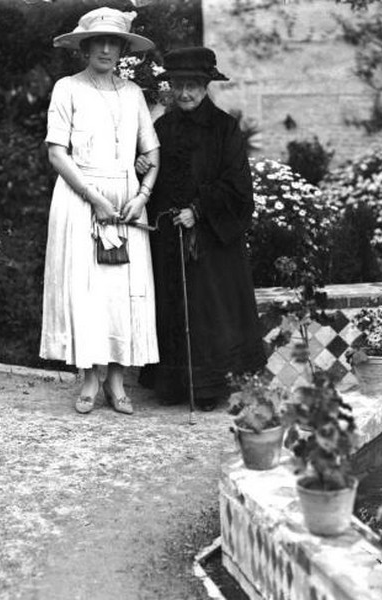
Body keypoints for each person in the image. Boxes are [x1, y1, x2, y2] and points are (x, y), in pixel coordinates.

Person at [40, 7, 160, 416]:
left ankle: (117, 380)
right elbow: (57, 153)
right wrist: (94, 198)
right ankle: (90, 377)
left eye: (114, 43)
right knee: (86, 291)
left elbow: (152, 151)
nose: (106, 49)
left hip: (126, 202)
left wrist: (142, 196)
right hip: (80, 197)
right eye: (99, 42)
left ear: (123, 49)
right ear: (85, 47)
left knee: (122, 293)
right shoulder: (67, 89)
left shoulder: (133, 93)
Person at [137, 47, 266, 411]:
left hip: (211, 241)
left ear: (206, 85)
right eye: (178, 85)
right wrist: (140, 165)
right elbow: (152, 178)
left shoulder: (225, 129)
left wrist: (199, 209)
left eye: (192, 85)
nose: (184, 93)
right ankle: (172, 384)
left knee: (208, 310)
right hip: (169, 238)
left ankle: (208, 388)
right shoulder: (162, 128)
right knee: (173, 305)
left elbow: (238, 186)